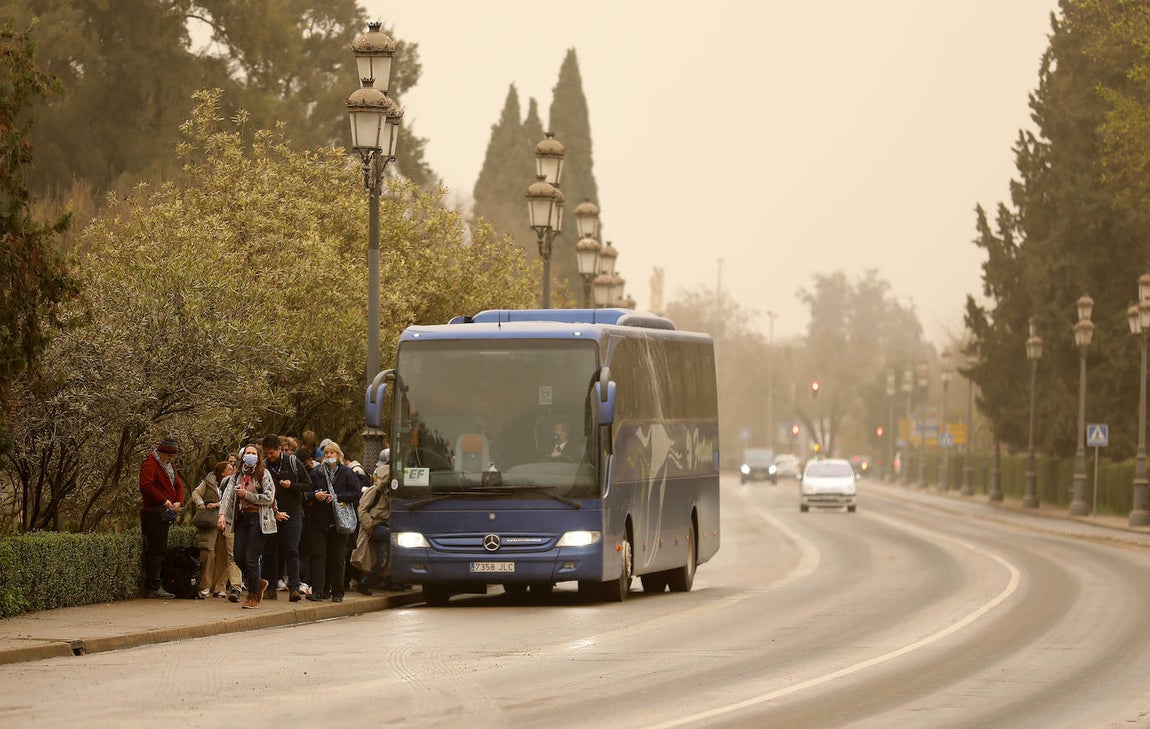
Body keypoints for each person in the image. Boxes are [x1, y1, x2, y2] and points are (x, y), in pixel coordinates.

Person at [217, 443, 278, 609]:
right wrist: (222, 515)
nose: (250, 456)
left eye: (253, 453)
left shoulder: (264, 474)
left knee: (251, 558)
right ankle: (257, 582)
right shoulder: (237, 475)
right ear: (242, 456)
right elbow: (228, 496)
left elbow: (269, 497)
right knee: (238, 557)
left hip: (259, 520)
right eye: (247, 453)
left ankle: (253, 594)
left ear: (258, 457)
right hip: (242, 519)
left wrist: (248, 495)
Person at [304, 441, 361, 603]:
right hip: (319, 521)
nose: (329, 456)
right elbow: (306, 492)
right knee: (318, 556)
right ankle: (318, 591)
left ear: (338, 455)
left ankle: (337, 592)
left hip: (339, 522)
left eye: (332, 453)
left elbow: (356, 493)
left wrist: (337, 497)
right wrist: (315, 496)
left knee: (337, 558)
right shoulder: (316, 473)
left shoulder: (347, 473)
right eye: (327, 453)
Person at [261, 434, 309, 602]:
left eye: (272, 453)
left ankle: (294, 588)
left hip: (293, 512)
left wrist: (291, 486)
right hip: (271, 512)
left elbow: (308, 484)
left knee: (291, 549)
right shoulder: (264, 466)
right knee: (270, 551)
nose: (269, 456)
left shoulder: (293, 463)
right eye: (266, 453)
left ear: (280, 449)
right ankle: (271, 587)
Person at [138, 437, 185, 599]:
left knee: (161, 549)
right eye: (169, 455)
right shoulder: (150, 464)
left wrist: (178, 501)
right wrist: (164, 500)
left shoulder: (169, 465)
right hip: (153, 512)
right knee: (156, 550)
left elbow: (178, 485)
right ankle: (153, 586)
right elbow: (146, 486)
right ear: (162, 452)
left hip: (165, 511)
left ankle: (158, 584)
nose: (171, 459)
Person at [191, 460, 234, 598]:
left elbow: (232, 500)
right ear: (222, 472)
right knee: (208, 552)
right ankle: (205, 585)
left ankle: (220, 586)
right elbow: (196, 493)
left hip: (227, 521)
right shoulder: (208, 481)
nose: (232, 471)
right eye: (229, 469)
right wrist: (201, 503)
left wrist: (217, 504)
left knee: (224, 554)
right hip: (210, 522)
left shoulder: (234, 482)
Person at [351, 449, 392, 594]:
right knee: (394, 535)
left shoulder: (388, 493)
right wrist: (368, 525)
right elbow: (362, 509)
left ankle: (365, 583)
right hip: (374, 526)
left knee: (381, 559)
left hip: (381, 525)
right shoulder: (374, 491)